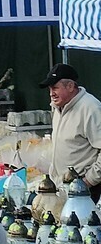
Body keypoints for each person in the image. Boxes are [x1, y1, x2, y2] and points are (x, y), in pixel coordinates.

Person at [43, 63, 101, 200]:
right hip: (64, 189)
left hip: (87, 191)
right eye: (50, 89)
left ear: (70, 86)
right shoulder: (57, 108)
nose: (51, 93)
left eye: (55, 88)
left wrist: (88, 181)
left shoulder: (91, 108)